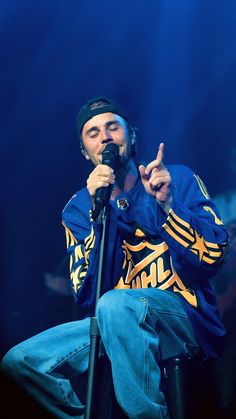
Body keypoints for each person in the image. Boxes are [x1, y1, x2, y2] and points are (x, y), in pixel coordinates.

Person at [0, 96, 229, 419]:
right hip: (114, 320)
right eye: (92, 133)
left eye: (112, 127)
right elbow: (88, 294)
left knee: (117, 303)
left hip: (183, 316)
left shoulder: (175, 178)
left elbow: (212, 257)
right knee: (21, 362)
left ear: (131, 136)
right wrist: (98, 213)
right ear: (85, 151)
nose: (104, 137)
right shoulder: (79, 208)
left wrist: (167, 206)